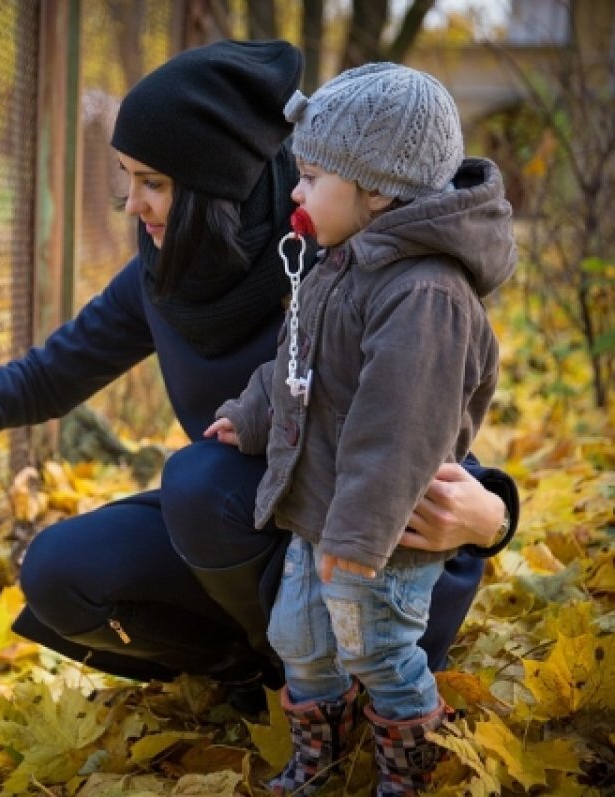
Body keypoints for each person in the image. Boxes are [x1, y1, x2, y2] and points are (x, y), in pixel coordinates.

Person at [0, 40, 518, 717]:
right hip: (259, 529)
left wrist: (494, 517)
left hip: (378, 553)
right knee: (59, 571)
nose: (131, 204)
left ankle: (339, 678)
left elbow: (418, 418)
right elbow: (52, 373)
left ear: (217, 183)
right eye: (127, 177)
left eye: (153, 182)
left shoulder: (344, 244)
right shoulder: (166, 274)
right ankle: (260, 672)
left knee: (200, 480)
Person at [208, 63, 516, 795]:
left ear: (375, 189)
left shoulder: (425, 294)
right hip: (322, 514)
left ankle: (408, 764)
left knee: (379, 646)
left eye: (312, 177)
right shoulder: (342, 263)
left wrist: (356, 538)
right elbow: (297, 357)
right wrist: (253, 410)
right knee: (298, 638)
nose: (297, 193)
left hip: (382, 531)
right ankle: (323, 751)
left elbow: (398, 432)